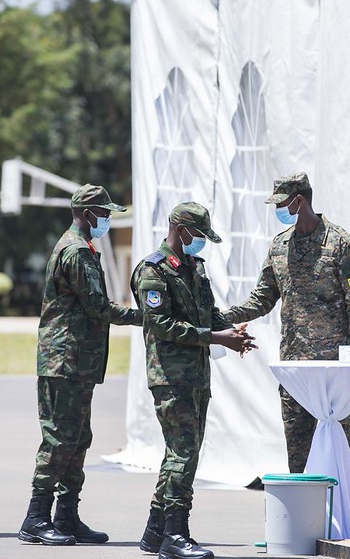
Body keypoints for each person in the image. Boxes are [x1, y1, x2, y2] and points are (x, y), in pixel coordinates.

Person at [18, 184, 143, 546]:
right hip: (64, 362)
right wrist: (144, 317)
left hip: (77, 362)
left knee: (77, 439)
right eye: (103, 214)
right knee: (59, 440)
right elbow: (98, 307)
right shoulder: (75, 251)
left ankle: (67, 515)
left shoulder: (83, 248)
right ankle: (35, 517)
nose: (106, 220)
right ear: (87, 214)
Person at [222, 171, 350, 477]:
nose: (277, 210)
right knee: (298, 445)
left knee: (339, 440)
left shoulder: (342, 244)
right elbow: (262, 299)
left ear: (299, 201)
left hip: (332, 368)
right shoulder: (279, 247)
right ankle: (306, 515)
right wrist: (221, 319)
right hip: (294, 365)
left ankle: (348, 503)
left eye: (282, 203)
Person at [132, 202, 256, 559]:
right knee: (182, 453)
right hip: (170, 376)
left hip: (197, 375)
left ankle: (155, 532)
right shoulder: (153, 271)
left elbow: (210, 313)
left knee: (183, 452)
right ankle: (175, 534)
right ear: (180, 229)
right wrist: (218, 338)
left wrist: (231, 332)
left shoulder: (195, 268)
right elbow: (160, 324)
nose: (200, 242)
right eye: (198, 235)